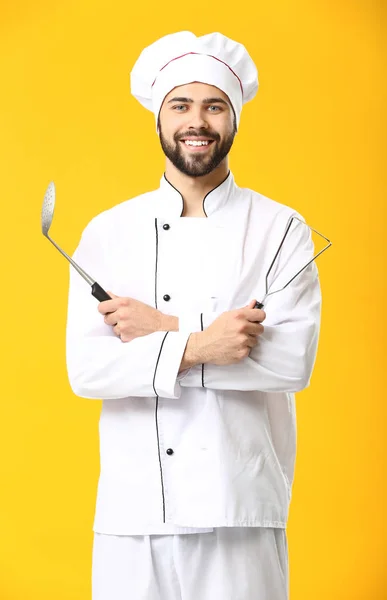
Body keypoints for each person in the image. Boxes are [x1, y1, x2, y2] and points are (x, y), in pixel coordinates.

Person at [65, 31, 322, 600]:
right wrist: (208, 343)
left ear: (234, 119)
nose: (196, 121)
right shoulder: (108, 233)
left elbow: (290, 362)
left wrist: (164, 333)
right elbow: (88, 370)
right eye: (181, 105)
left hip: (241, 507)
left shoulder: (281, 230)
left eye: (214, 105)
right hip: (133, 517)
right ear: (159, 117)